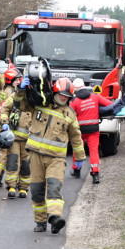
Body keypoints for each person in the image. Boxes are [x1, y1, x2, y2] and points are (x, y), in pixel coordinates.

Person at [26, 78, 86, 233]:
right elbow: (22, 105)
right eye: (61, 94)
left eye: (67, 96)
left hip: (56, 159)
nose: (64, 97)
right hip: (36, 155)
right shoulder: (40, 103)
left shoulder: (70, 115)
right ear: (54, 92)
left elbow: (76, 136)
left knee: (54, 188)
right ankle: (40, 222)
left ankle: (55, 218)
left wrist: (80, 157)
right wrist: (21, 90)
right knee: (37, 190)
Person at [70, 78, 117, 184]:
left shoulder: (73, 101)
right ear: (84, 86)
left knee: (77, 149)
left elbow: (69, 116)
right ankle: (95, 174)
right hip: (94, 130)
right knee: (94, 151)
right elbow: (110, 105)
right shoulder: (95, 96)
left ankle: (76, 170)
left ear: (74, 89)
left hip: (80, 131)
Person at [0, 71, 33, 199]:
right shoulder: (14, 96)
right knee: (12, 162)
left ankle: (23, 188)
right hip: (14, 138)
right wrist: (4, 123)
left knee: (26, 165)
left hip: (29, 140)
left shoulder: (34, 100)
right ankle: (11, 186)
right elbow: (4, 109)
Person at [0, 67, 22, 186]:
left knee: (3, 153)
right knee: (10, 154)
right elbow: (10, 109)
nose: (19, 82)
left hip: (2, 125)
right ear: (10, 80)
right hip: (7, 125)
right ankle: (4, 178)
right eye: (16, 80)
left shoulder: (5, 90)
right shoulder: (11, 92)